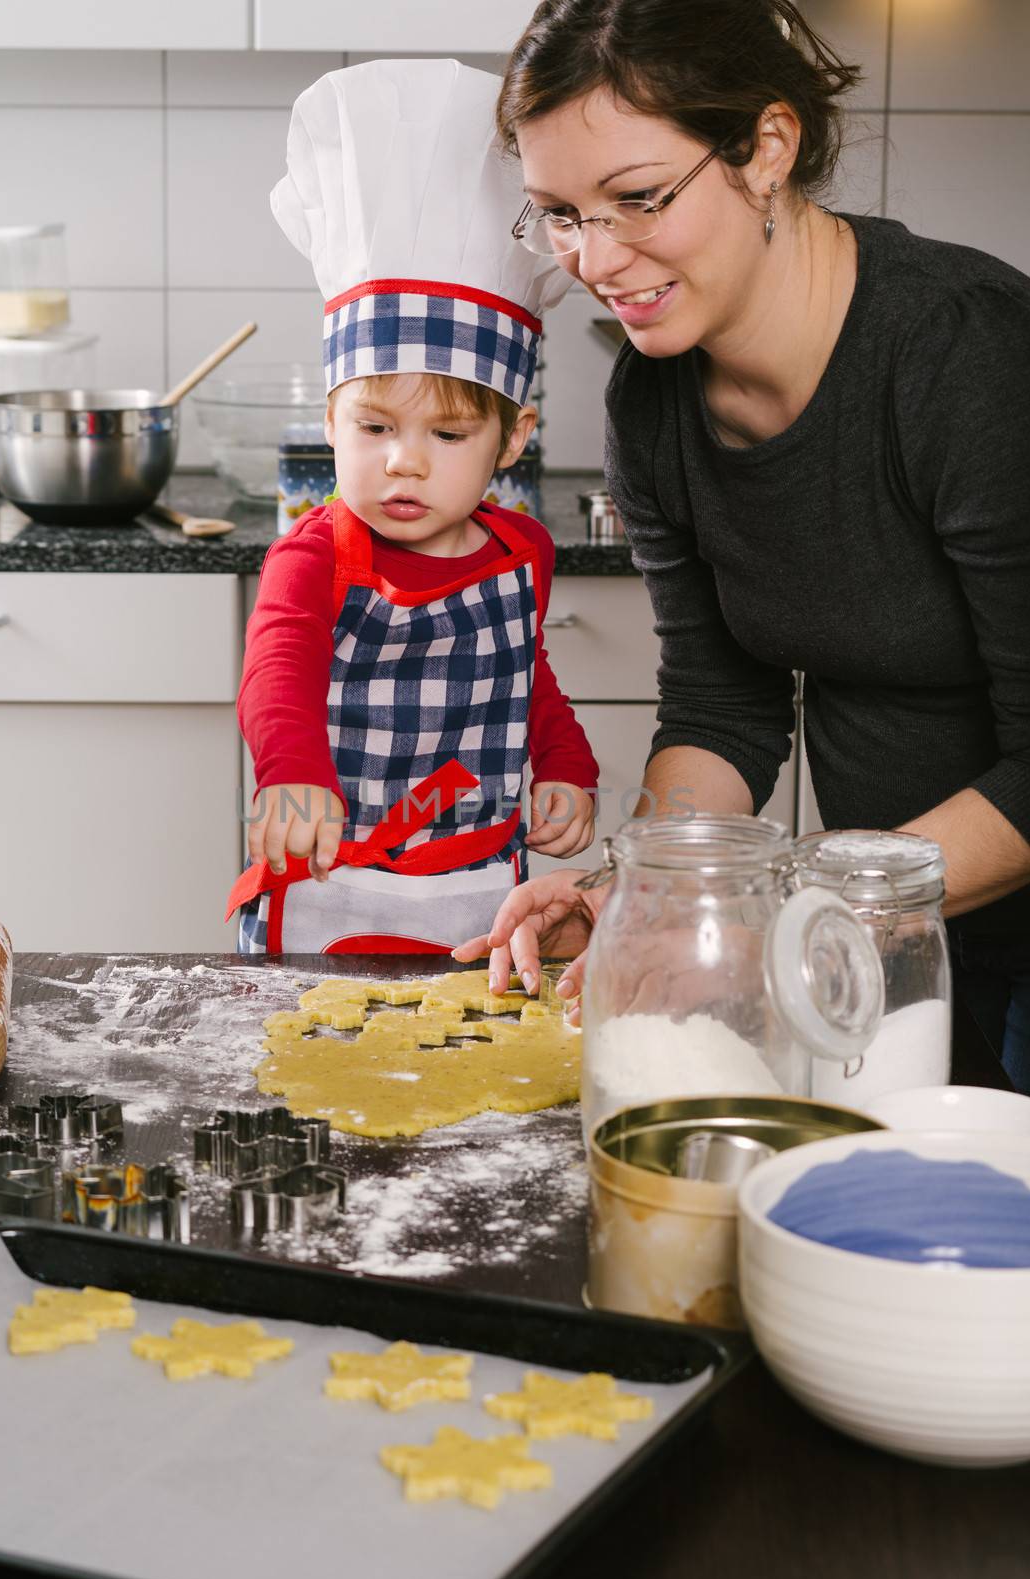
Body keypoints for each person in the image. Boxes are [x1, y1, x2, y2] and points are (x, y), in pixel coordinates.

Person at [453, 0, 1030, 1107]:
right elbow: (720, 708)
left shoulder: (967, 357)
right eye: (558, 215)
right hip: (895, 927)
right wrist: (637, 892)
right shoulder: (652, 403)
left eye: (638, 199)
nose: (597, 257)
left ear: (766, 148)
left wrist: (762, 905)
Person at [226, 58, 599, 956]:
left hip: (479, 886)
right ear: (331, 420)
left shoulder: (521, 554)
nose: (403, 463)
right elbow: (277, 668)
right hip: (333, 884)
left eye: (448, 436)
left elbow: (526, 676)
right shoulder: (315, 555)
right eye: (375, 425)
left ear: (512, 441)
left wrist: (567, 767)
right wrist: (293, 776)